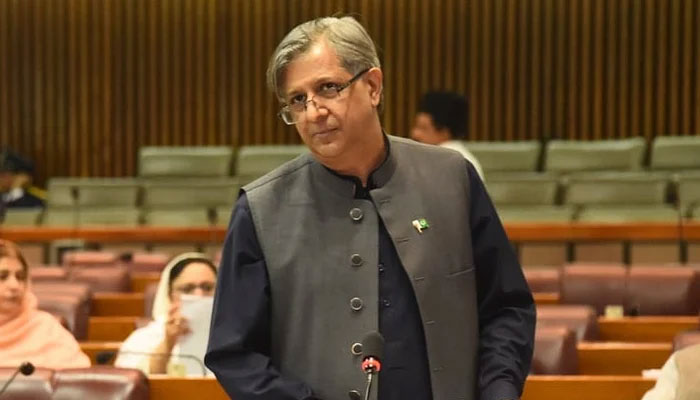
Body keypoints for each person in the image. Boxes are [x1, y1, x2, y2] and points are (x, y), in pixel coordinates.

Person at [206, 16, 535, 400]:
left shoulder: (453, 179)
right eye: (298, 100)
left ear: (373, 86)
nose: (313, 112)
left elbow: (507, 308)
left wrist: (498, 390)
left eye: (328, 88)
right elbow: (235, 353)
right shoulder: (260, 209)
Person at [115, 253, 217, 375]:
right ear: (169, 294)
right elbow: (137, 384)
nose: (198, 295)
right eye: (187, 289)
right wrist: (168, 343)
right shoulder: (143, 339)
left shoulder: (235, 335)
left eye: (207, 287)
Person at [0, 239, 90, 369]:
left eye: (20, 277)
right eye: (2, 276)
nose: (15, 286)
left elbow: (79, 380)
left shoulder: (46, 328)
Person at [411, 91, 485, 180]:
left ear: (444, 131)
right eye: (416, 126)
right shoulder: (462, 159)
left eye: (423, 128)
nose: (415, 134)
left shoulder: (451, 162)